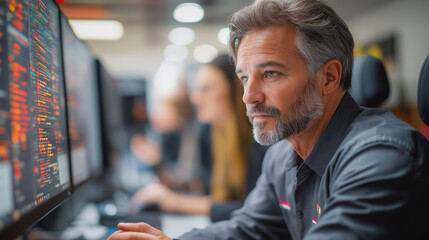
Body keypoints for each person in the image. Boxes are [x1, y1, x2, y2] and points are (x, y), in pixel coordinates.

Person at [108, 0, 429, 239]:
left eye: (271, 73)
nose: (249, 96)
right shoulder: (282, 156)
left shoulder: (380, 155)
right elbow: (247, 229)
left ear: (329, 78)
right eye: (245, 78)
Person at [129, 54, 267, 222]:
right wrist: (160, 171)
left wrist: (175, 203)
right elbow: (205, 184)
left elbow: (256, 210)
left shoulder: (260, 141)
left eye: (206, 89)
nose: (195, 98)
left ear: (236, 92)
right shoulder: (210, 133)